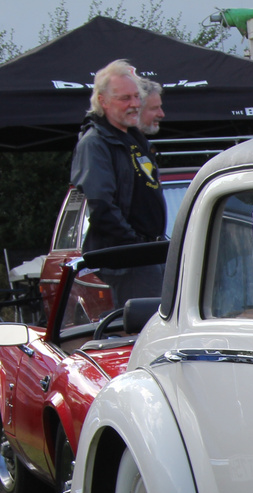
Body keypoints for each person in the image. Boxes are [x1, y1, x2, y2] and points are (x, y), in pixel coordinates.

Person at [70, 60, 167, 308]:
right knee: (144, 329)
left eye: (136, 96)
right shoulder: (95, 143)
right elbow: (101, 205)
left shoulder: (132, 138)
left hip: (150, 252)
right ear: (103, 101)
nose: (134, 104)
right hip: (129, 260)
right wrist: (134, 246)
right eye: (125, 98)